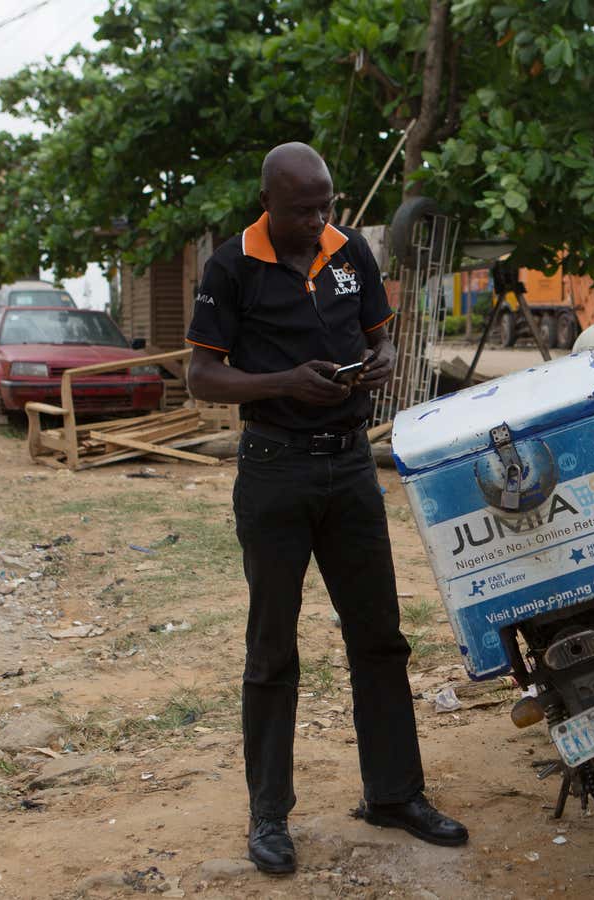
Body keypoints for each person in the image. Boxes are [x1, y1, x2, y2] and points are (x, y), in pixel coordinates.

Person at [185, 142, 467, 876]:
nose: (320, 219)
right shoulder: (230, 266)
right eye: (305, 208)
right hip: (275, 469)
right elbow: (203, 377)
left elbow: (380, 341)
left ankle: (394, 795)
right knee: (273, 651)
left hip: (349, 468)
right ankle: (269, 817)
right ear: (270, 203)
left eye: (328, 204)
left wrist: (376, 366)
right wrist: (283, 382)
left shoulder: (349, 253)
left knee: (380, 638)